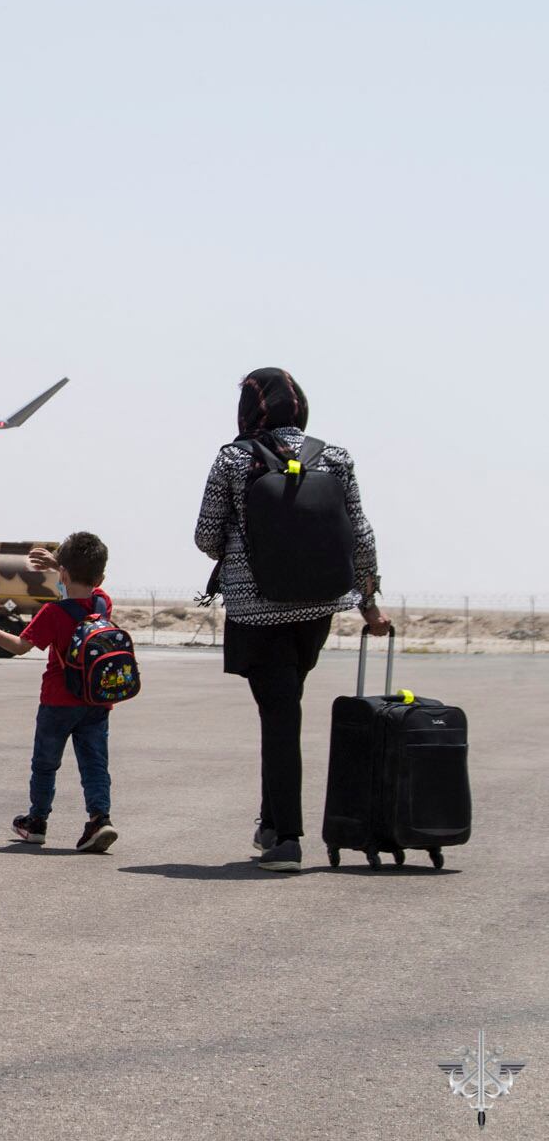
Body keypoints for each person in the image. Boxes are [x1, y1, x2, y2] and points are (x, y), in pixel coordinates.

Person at [195, 368, 387, 873]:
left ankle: (287, 837)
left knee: (280, 718)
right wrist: (368, 600)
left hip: (259, 610)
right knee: (285, 708)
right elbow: (360, 535)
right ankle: (269, 821)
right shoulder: (335, 457)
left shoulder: (234, 458)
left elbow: (206, 537)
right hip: (319, 606)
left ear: (251, 409)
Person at [0, 532, 120, 854]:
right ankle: (100, 819)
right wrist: (63, 566)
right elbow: (88, 582)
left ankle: (37, 822)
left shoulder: (52, 614)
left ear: (63, 575)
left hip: (58, 701)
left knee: (45, 765)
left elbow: (18, 647)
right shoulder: (103, 603)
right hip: (97, 701)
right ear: (100, 576)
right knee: (95, 764)